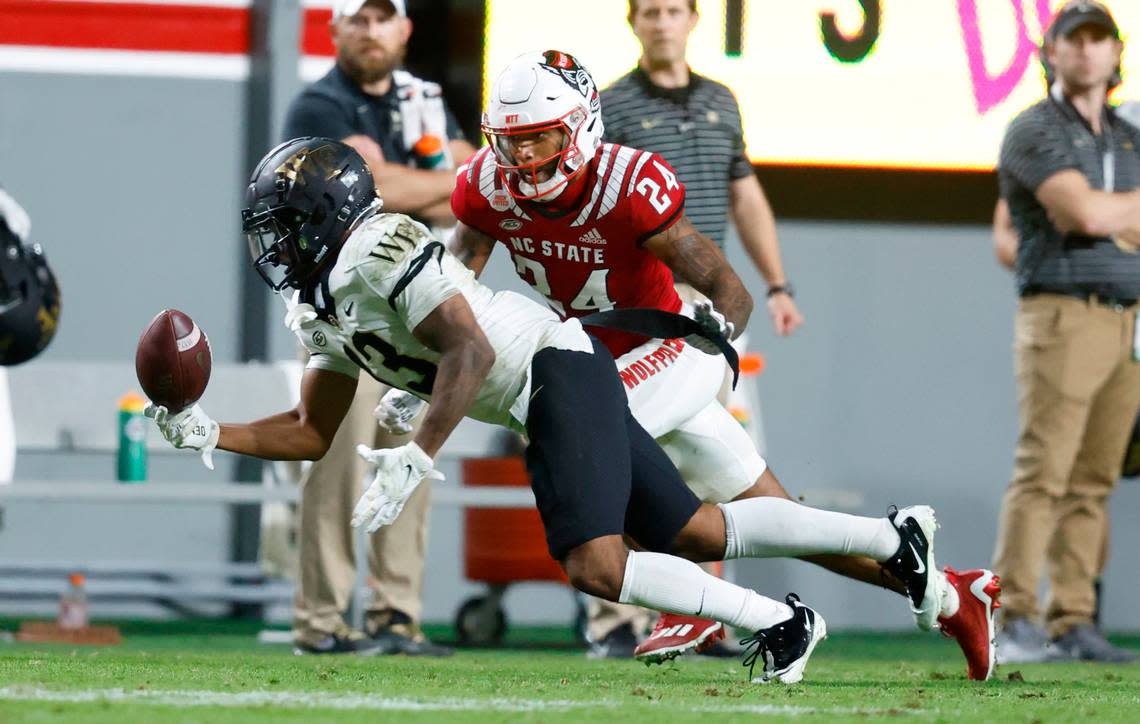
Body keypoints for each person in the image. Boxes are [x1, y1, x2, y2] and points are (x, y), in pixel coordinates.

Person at [149, 136, 991, 683]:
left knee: (596, 564)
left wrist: (418, 452)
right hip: (540, 391)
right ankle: (892, 542)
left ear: (329, 215)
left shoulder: (380, 246)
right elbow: (311, 431)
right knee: (697, 530)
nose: (277, 245)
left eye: (287, 225)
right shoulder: (324, 302)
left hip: (557, 366)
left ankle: (778, 622)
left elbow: (469, 349)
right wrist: (208, 427)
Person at [442, 49, 1000, 679]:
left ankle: (690, 601)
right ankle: (955, 595)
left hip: (676, 348)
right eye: (511, 142)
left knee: (588, 443)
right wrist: (426, 367)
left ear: (580, 127)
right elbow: (451, 291)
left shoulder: (627, 183)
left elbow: (728, 289)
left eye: (539, 139)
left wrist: (721, 329)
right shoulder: (485, 187)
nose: (522, 159)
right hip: (602, 365)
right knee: (777, 520)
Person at [581, 0, 802, 656]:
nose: (661, 21)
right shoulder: (614, 106)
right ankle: (616, 619)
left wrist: (778, 285)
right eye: (649, 10)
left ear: (693, 19)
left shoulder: (722, 101)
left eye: (673, 9)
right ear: (633, 23)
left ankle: (703, 616)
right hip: (644, 301)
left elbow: (745, 194)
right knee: (628, 452)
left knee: (712, 462)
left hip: (714, 306)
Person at [278, 0, 475, 656]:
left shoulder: (423, 98)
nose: (370, 30)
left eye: (382, 18)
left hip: (413, 305)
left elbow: (470, 189)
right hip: (341, 307)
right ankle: (323, 621)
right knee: (334, 461)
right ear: (335, 29)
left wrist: (398, 180)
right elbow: (362, 190)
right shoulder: (317, 107)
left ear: (405, 29)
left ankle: (397, 616)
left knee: (406, 459)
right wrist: (429, 182)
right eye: (356, 19)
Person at [993, 0, 1140, 663]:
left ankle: (1073, 618)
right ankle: (1017, 614)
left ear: (1117, 52)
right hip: (1061, 311)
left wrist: (1113, 213)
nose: (1086, 51)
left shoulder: (1126, 136)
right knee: (1043, 473)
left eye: (1098, 40)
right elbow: (1080, 212)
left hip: (1125, 318)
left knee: (1093, 481)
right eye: (1072, 40)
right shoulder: (1034, 128)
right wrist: (1111, 216)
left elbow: (1108, 212)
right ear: (1049, 52)